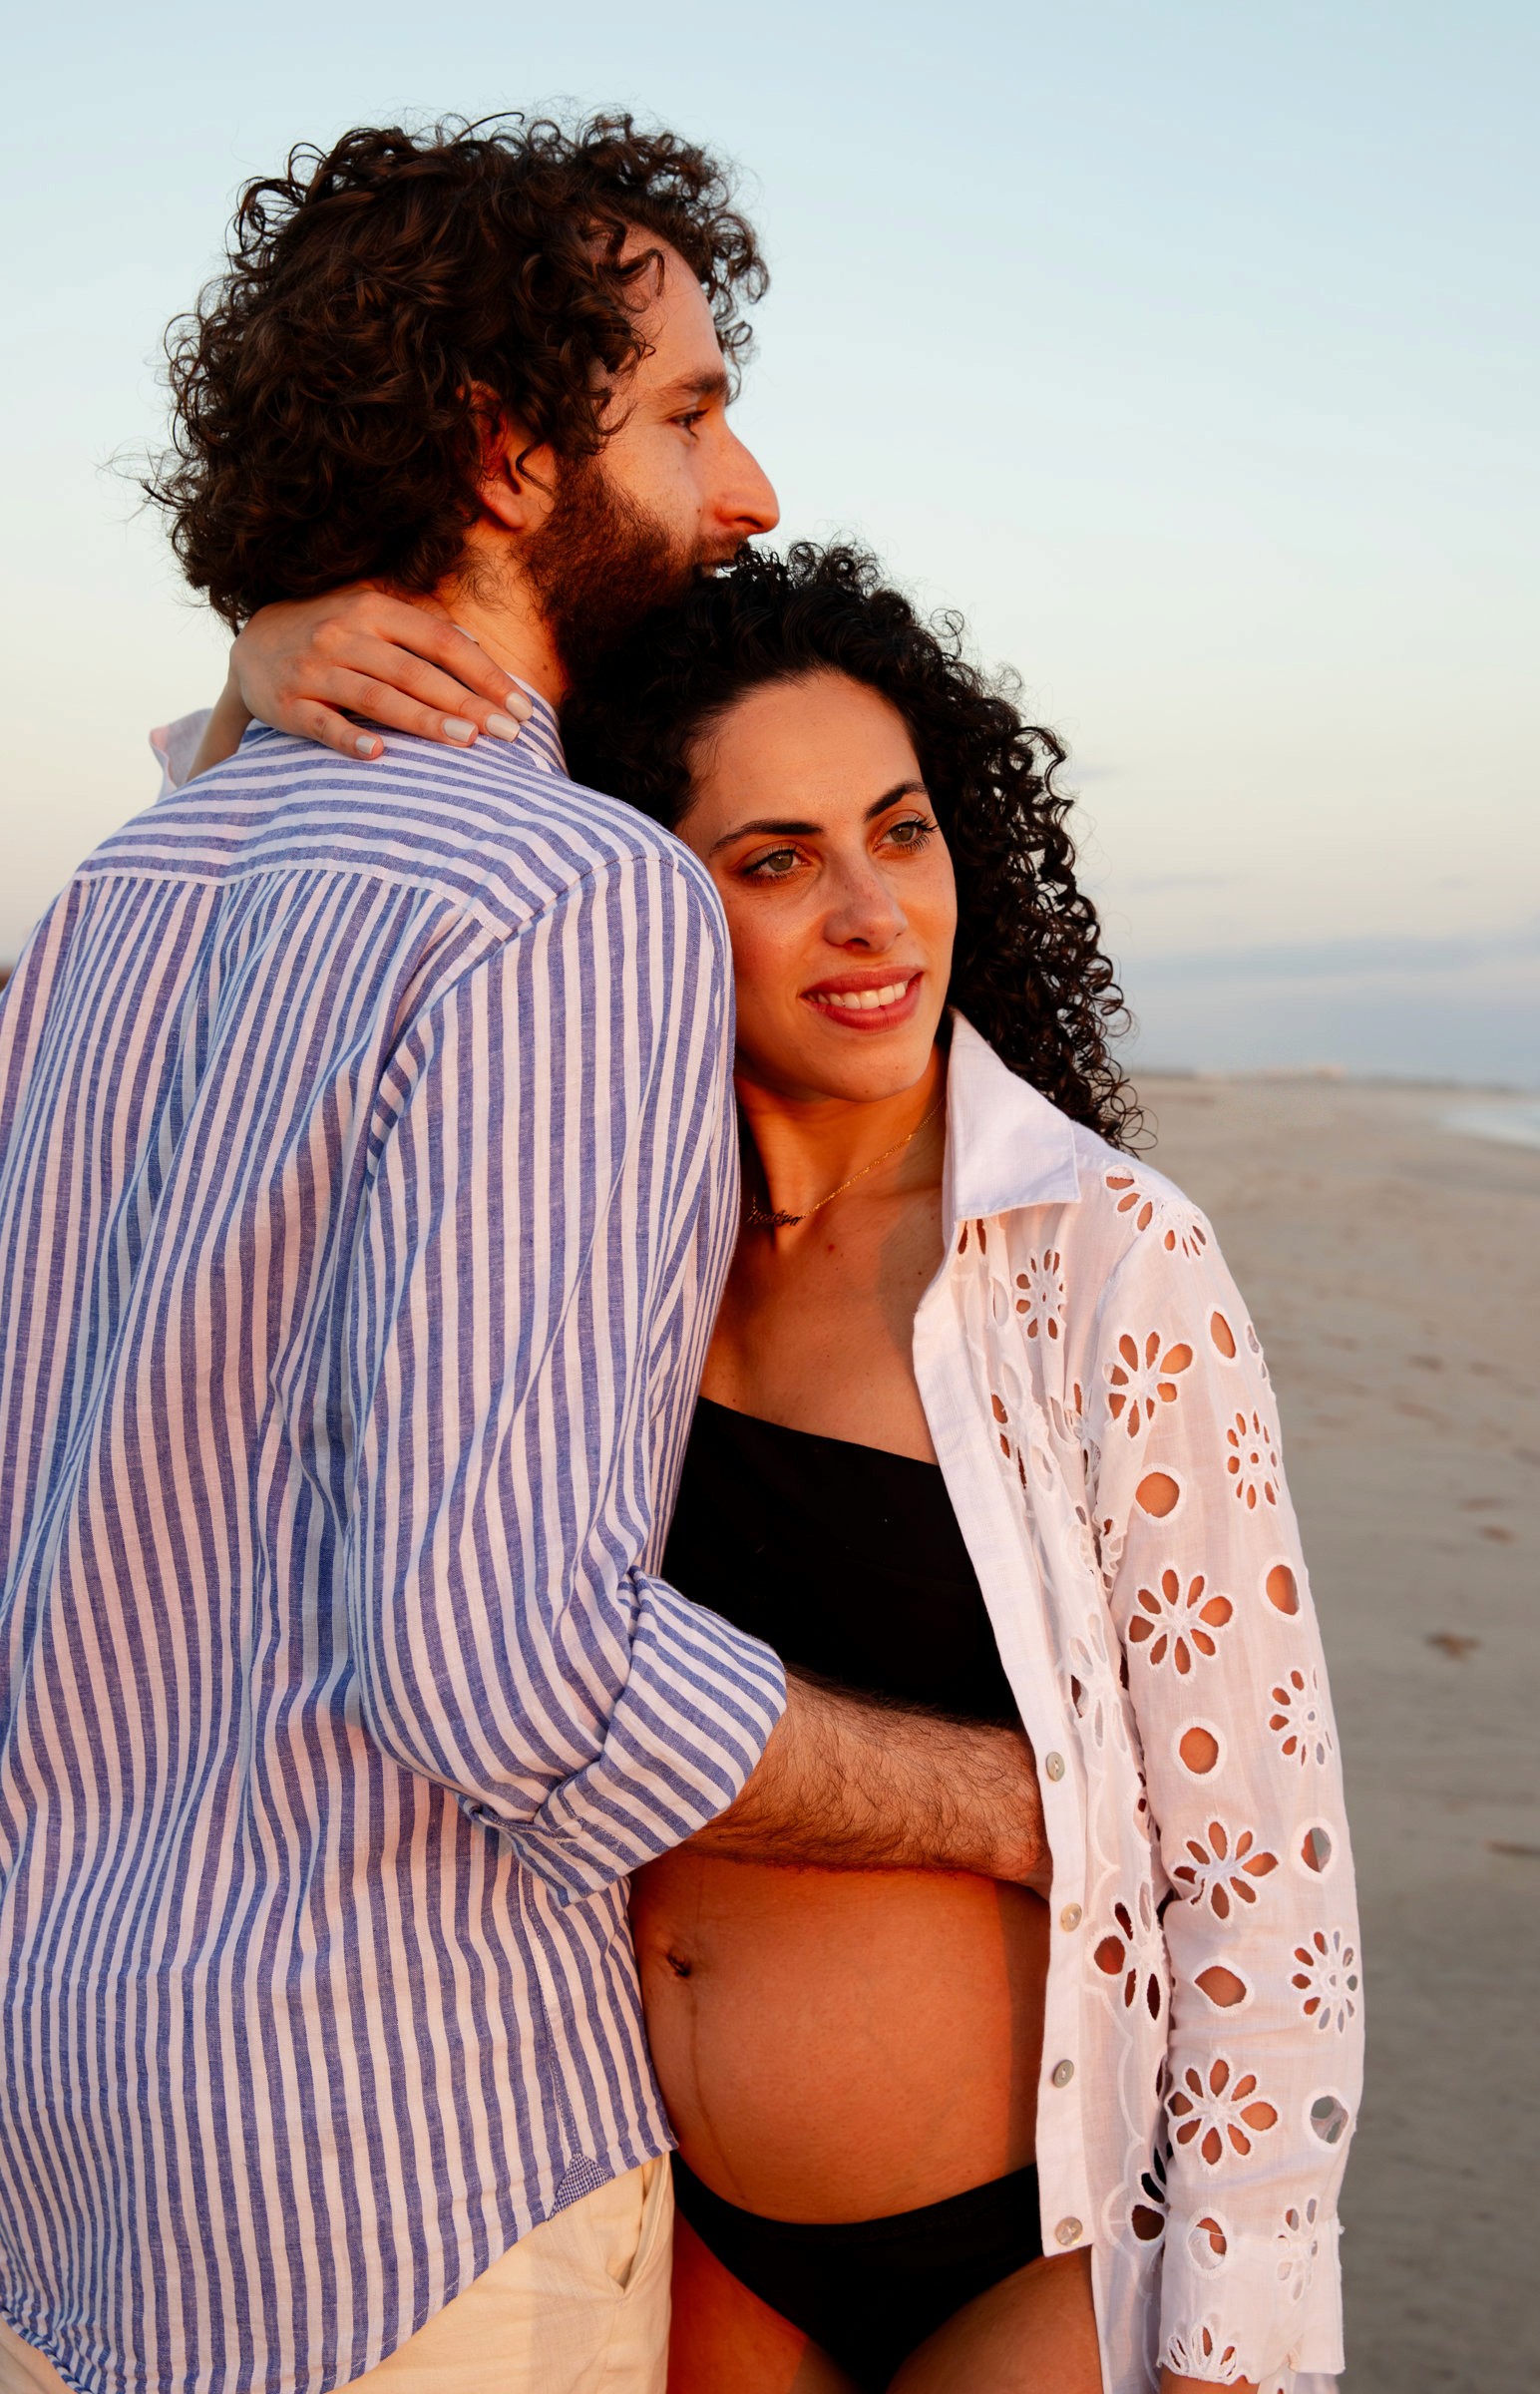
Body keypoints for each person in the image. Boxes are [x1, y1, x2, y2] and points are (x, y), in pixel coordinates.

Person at [0, 121, 1053, 2394]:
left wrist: (248, 667)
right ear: (500, 452)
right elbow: (506, 1666)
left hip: (59, 2127)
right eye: (682, 411)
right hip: (396, 2169)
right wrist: (1020, 1796)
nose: (745, 484)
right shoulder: (578, 904)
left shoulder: (108, 900)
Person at [169, 544, 1361, 2394]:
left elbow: (1258, 1851)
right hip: (673, 2222)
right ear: (645, 900)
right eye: (775, 861)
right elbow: (269, 1008)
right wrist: (259, 685)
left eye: (901, 832)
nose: (874, 913)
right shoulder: (593, 1244)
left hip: (1020, 2239)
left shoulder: (1097, 1262)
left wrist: (1237, 2330)